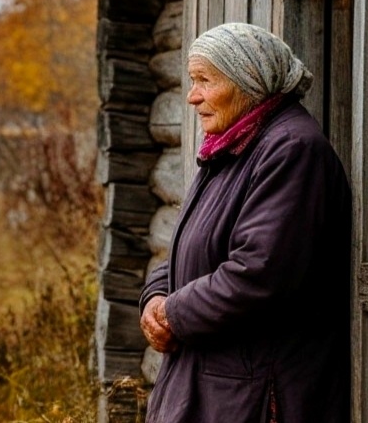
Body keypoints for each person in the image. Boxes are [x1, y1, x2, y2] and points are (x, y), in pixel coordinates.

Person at [139, 22, 351, 423]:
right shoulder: (231, 146)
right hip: (219, 389)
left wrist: (173, 313)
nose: (192, 96)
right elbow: (188, 248)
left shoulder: (292, 150)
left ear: (248, 80)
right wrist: (154, 298)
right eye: (192, 80)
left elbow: (260, 273)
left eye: (205, 80)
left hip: (258, 396)